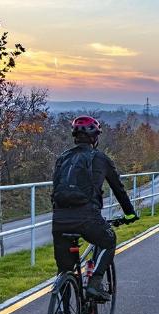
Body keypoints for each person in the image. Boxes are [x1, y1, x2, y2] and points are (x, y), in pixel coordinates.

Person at [51, 116, 138, 301]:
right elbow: (118, 190)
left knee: (65, 270)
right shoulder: (100, 158)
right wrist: (130, 214)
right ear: (95, 137)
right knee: (108, 240)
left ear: (75, 136)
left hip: (59, 220)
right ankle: (95, 283)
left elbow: (56, 188)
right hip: (87, 218)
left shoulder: (62, 158)